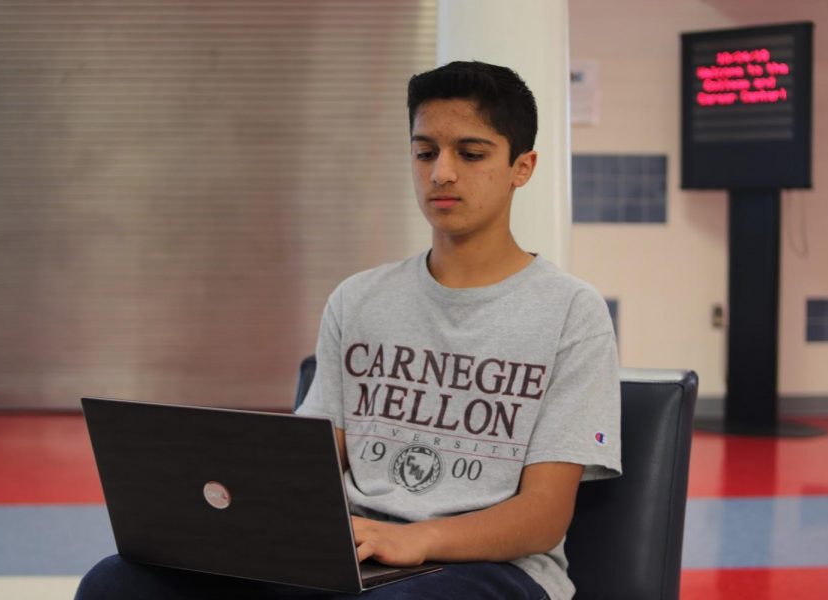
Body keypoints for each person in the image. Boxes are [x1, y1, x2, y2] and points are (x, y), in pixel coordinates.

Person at [75, 61, 620, 600]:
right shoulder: (359, 299)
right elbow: (306, 468)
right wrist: (215, 506)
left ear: (521, 168)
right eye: (425, 152)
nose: (441, 173)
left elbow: (543, 516)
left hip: (491, 568)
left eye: (470, 154)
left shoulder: (571, 311)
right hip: (351, 549)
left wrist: (417, 538)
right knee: (116, 583)